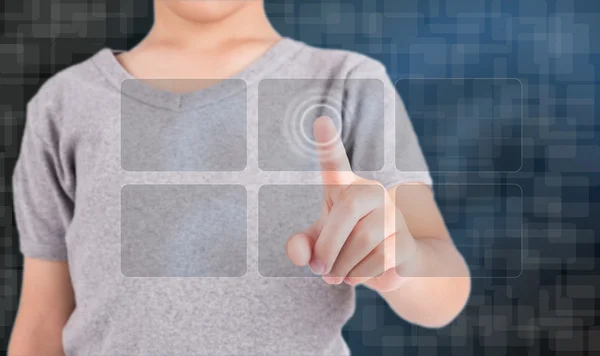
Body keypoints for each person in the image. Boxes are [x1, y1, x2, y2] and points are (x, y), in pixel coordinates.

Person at [8, 1, 471, 355]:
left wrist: (398, 258)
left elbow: (444, 289)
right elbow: (42, 324)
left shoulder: (350, 83)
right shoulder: (63, 105)